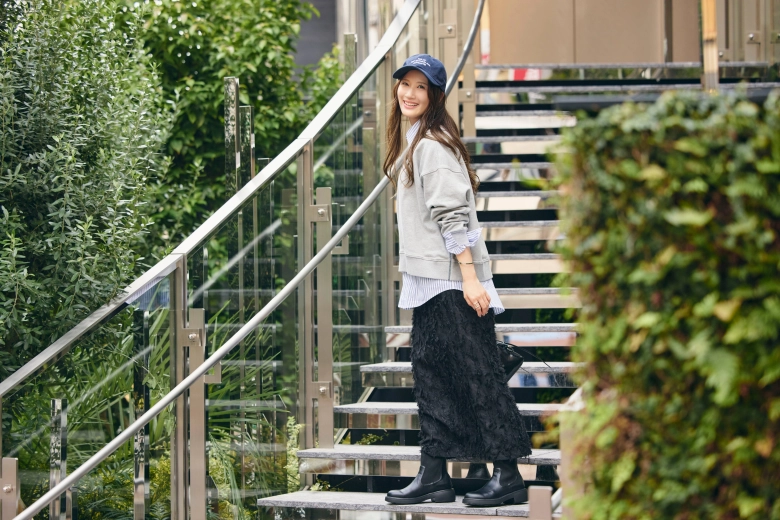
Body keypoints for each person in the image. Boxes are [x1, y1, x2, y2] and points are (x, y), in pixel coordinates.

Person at [382, 54, 532, 507]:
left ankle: (507, 473)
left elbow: (453, 216)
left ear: (435, 96)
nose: (409, 93)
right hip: (430, 279)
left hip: (451, 280)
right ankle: (434, 472)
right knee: (431, 376)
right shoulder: (415, 140)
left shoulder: (431, 145)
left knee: (478, 376)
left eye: (421, 87)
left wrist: (470, 278)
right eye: (405, 84)